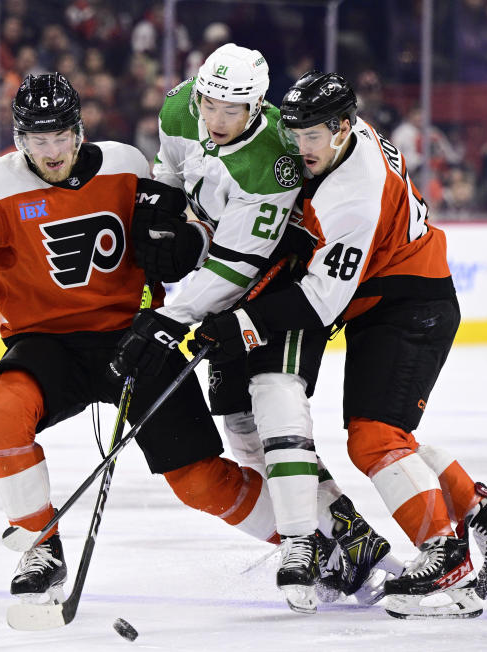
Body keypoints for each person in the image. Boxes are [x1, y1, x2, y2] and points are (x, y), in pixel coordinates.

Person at [0, 72, 299, 612]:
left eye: (60, 137)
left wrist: (186, 241)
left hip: (133, 338)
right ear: (20, 140)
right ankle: (40, 547)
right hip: (46, 346)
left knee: (199, 482)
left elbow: (192, 226)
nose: (52, 151)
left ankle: (305, 544)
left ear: (78, 131)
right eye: (38, 141)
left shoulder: (127, 165)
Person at [188, 71, 487, 617]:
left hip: (410, 304)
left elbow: (319, 302)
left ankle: (445, 562)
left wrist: (239, 322)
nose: (301, 146)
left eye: (313, 136)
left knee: (375, 439)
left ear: (341, 128)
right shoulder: (342, 139)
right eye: (296, 134)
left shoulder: (351, 196)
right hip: (390, 299)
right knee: (390, 438)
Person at [109, 43, 397, 613]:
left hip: (279, 285)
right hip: (223, 288)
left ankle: (301, 541)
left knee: (276, 401)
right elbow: (170, 173)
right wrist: (168, 226)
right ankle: (346, 529)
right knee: (241, 431)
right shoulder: (177, 109)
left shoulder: (273, 160)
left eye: (231, 110)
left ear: (257, 106)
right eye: (209, 104)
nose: (215, 120)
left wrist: (171, 316)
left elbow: (235, 266)